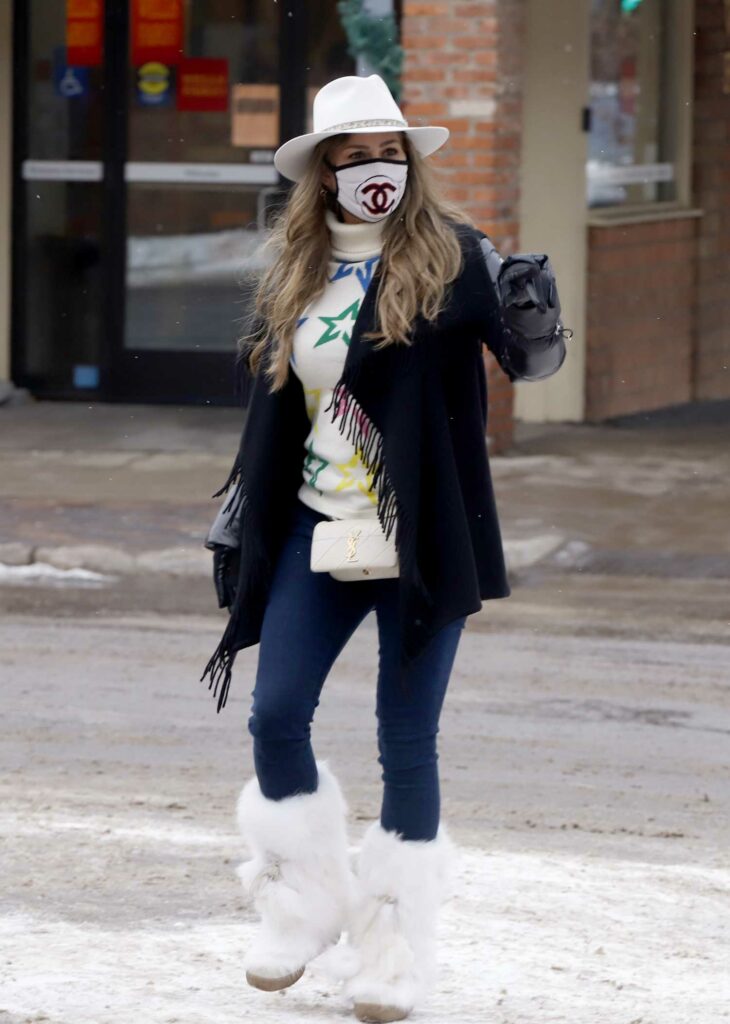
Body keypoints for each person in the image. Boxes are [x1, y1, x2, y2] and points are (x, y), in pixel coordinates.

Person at [202, 74, 570, 1023]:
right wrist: (242, 511)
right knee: (274, 716)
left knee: (406, 740)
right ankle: (301, 909)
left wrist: (532, 315)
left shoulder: (458, 259)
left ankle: (396, 957)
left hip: (423, 541)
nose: (377, 167)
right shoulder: (294, 271)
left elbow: (530, 360)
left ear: (412, 162)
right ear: (324, 171)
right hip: (314, 530)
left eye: (390, 151)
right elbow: (276, 410)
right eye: (355, 153)